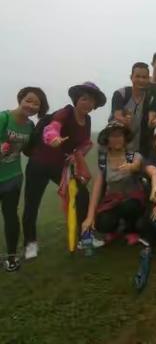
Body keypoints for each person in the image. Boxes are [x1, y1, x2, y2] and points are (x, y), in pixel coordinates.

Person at [22, 82, 106, 260]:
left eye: (91, 101)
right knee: (32, 204)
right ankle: (30, 243)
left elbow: (84, 143)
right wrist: (52, 138)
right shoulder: (66, 112)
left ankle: (84, 236)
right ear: (76, 100)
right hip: (39, 163)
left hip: (60, 166)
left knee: (82, 195)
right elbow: (52, 127)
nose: (87, 104)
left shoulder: (88, 120)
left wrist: (77, 154)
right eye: (84, 99)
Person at [81, 121, 154, 245]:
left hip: (133, 199)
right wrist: (90, 216)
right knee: (102, 223)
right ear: (107, 139)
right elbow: (97, 188)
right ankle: (114, 229)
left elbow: (137, 164)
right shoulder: (103, 160)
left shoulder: (132, 156)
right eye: (113, 136)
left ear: (125, 138)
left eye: (120, 135)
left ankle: (131, 230)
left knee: (129, 206)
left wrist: (132, 167)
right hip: (113, 200)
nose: (117, 139)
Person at [0, 87, 49, 271]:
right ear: (20, 99)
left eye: (36, 104)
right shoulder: (3, 118)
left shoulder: (29, 126)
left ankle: (11, 258)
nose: (31, 105)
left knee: (11, 217)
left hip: (13, 177)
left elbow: (30, 150)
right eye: (29, 100)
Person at [111, 62, 151, 155]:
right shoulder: (121, 94)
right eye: (137, 76)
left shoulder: (149, 97)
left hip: (140, 145)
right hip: (119, 143)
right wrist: (124, 120)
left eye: (144, 77)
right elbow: (117, 115)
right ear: (131, 77)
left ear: (148, 79)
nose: (141, 80)